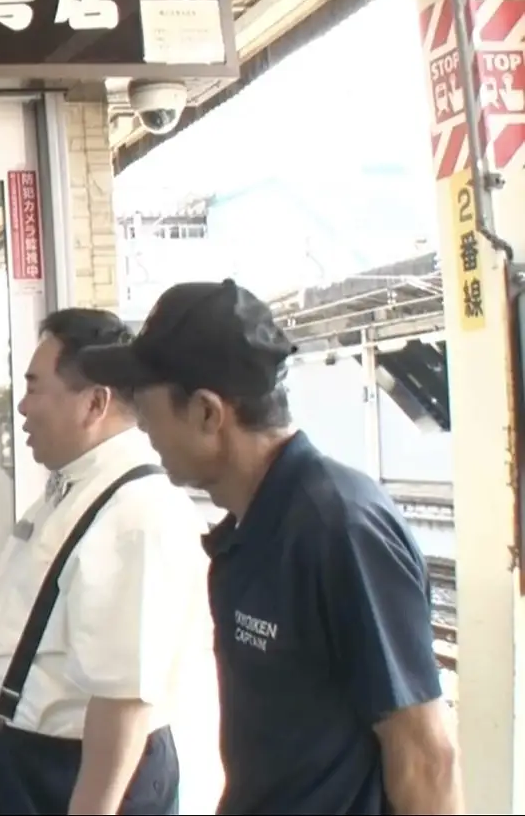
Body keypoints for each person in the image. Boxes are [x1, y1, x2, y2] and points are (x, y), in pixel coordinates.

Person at [75, 279, 460, 815]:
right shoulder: (253, 525)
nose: (142, 425)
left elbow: (425, 756)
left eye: (145, 403)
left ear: (208, 413)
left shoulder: (339, 528)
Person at [0, 308, 206, 815]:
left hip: (66, 780)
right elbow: (26, 600)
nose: (21, 407)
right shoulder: (74, 490)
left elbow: (125, 702)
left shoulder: (135, 513)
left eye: (34, 387)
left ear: (94, 402)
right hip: (20, 772)